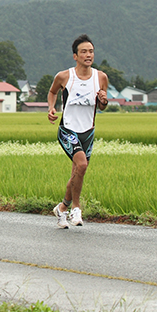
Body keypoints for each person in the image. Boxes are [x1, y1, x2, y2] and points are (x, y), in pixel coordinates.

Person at [46, 34, 109, 229]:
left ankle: (62, 208)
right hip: (68, 130)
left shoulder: (101, 77)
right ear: (75, 56)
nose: (88, 55)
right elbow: (52, 92)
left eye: (91, 51)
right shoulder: (65, 76)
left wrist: (104, 101)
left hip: (87, 132)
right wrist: (51, 108)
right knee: (81, 165)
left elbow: (102, 106)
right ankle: (76, 208)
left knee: (77, 172)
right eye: (84, 52)